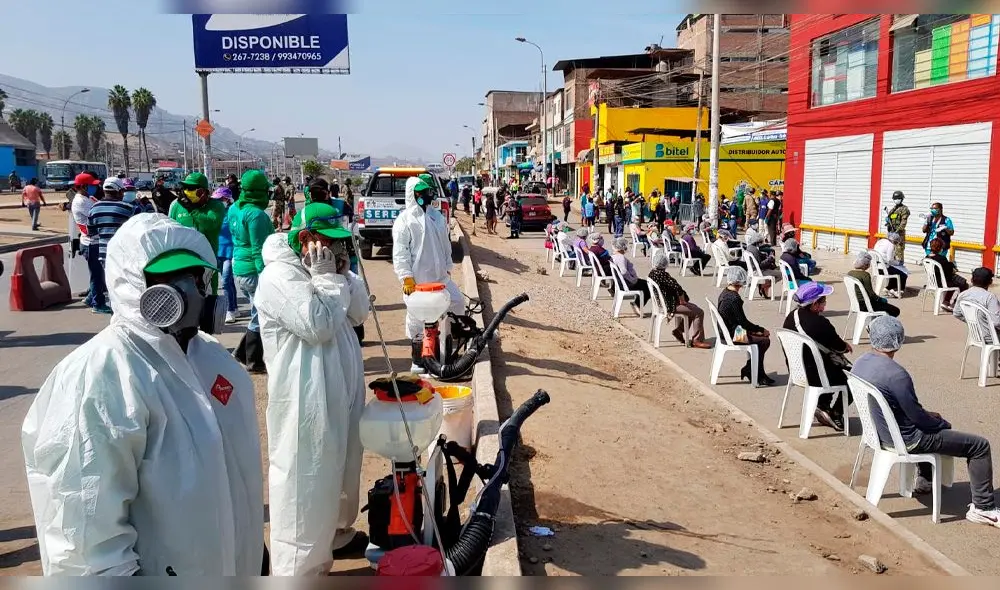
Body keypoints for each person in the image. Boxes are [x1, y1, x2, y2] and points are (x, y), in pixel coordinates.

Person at [22, 214, 266, 575]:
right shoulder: (101, 377)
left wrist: (253, 552)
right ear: (132, 285)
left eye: (195, 277)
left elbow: (234, 476)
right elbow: (86, 536)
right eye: (166, 279)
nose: (190, 291)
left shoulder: (211, 358)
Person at [256, 203, 370, 576]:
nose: (336, 250)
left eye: (341, 244)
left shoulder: (327, 271)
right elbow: (317, 324)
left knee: (343, 466)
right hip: (305, 396)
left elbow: (359, 313)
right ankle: (299, 569)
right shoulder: (279, 277)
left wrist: (344, 273)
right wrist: (326, 279)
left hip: (340, 385)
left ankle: (335, 534)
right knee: (306, 478)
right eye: (329, 243)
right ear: (305, 240)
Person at [852, 316, 1000, 527]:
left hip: (879, 433)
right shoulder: (897, 374)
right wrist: (941, 423)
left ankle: (926, 478)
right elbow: (918, 418)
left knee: (929, 423)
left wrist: (930, 417)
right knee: (979, 446)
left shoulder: (861, 362)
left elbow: (908, 411)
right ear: (898, 341)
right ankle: (983, 508)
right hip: (908, 440)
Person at [393, 176, 464, 342]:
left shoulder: (436, 217)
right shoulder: (404, 220)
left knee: (457, 302)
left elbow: (445, 243)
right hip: (417, 281)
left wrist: (447, 265)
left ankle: (449, 338)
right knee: (417, 317)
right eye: (422, 192)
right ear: (413, 194)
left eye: (428, 191)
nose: (427, 195)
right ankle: (418, 357)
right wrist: (406, 277)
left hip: (441, 278)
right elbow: (400, 252)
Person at [782, 282, 854, 430]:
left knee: (829, 367)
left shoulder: (791, 317)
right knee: (854, 379)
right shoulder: (821, 323)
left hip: (797, 370)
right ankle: (835, 413)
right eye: (823, 302)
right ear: (815, 303)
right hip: (815, 374)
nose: (824, 306)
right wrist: (845, 346)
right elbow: (839, 347)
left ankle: (823, 406)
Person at [229, 170, 275, 373]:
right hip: (253, 269)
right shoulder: (256, 215)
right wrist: (265, 275)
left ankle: (241, 352)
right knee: (261, 315)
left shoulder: (233, 209)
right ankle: (253, 360)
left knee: (257, 311)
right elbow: (259, 248)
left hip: (238, 265)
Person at [85, 178, 139, 315]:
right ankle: (125, 311)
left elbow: (91, 232)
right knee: (125, 284)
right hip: (124, 254)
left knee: (111, 283)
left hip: (104, 253)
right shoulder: (129, 208)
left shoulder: (94, 208)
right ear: (120, 191)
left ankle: (115, 311)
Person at [168, 172, 227, 297]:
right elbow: (170, 232)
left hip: (207, 264)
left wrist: (192, 209)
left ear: (204, 192)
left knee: (208, 301)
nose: (187, 191)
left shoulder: (216, 206)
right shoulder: (176, 206)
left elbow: (211, 225)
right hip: (182, 264)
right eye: (185, 188)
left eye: (192, 188)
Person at [717, 267, 774, 387]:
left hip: (727, 331)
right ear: (740, 282)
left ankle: (751, 368)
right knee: (764, 341)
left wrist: (755, 331)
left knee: (760, 339)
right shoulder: (734, 298)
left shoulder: (725, 292)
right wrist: (760, 329)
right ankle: (756, 373)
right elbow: (743, 323)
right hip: (734, 334)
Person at [648, 253, 712, 349]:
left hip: (660, 304)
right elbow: (678, 289)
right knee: (699, 312)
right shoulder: (663, 275)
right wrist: (682, 301)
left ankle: (679, 330)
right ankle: (697, 340)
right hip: (670, 305)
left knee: (693, 308)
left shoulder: (652, 274)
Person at [71, 172, 102, 309]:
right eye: (91, 186)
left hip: (96, 241)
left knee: (98, 274)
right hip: (90, 242)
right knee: (96, 275)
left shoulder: (88, 197)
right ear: (83, 186)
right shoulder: (80, 201)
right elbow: (99, 214)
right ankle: (97, 304)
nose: (94, 188)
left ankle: (91, 298)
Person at [847, 251, 901, 317]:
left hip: (855, 304)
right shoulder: (865, 275)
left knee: (882, 307)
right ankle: (880, 324)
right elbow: (871, 294)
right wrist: (880, 299)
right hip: (866, 305)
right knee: (895, 310)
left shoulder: (849, 273)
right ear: (866, 265)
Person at [953, 267, 1000, 341]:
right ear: (990, 282)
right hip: (991, 337)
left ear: (971, 280)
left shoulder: (963, 294)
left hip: (974, 334)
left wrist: (975, 322)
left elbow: (956, 313)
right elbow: (997, 323)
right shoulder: (990, 297)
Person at [214, 187, 239, 324]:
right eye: (217, 199)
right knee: (228, 282)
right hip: (218, 251)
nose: (219, 202)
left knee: (224, 281)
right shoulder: (215, 213)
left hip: (231, 251)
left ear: (228, 200)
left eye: (221, 199)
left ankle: (229, 311)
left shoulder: (232, 212)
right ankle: (234, 307)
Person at [926, 237, 968, 310]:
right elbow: (949, 272)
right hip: (943, 282)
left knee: (954, 282)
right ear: (940, 248)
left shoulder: (926, 258)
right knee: (964, 284)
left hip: (933, 282)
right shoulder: (942, 259)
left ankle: (946, 302)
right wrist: (953, 268)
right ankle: (953, 304)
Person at [611, 237, 650, 314]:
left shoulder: (613, 256)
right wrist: (633, 280)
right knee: (648, 287)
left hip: (619, 283)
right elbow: (624, 272)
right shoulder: (621, 258)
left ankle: (637, 303)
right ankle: (637, 304)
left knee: (644, 283)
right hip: (627, 284)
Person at [744, 227, 778, 299]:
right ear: (758, 242)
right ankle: (764, 286)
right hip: (758, 272)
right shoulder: (755, 250)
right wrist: (770, 259)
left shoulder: (749, 248)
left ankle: (764, 285)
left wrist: (765, 256)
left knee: (774, 269)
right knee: (780, 274)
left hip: (751, 271)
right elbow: (760, 265)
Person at [885, 190, 910, 261]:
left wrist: (897, 232)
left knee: (899, 252)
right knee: (891, 251)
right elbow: (890, 218)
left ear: (902, 199)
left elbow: (903, 223)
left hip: (899, 234)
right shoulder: (894, 209)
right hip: (891, 233)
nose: (896, 200)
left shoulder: (904, 209)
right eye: (895, 199)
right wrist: (887, 221)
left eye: (898, 198)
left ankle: (900, 268)